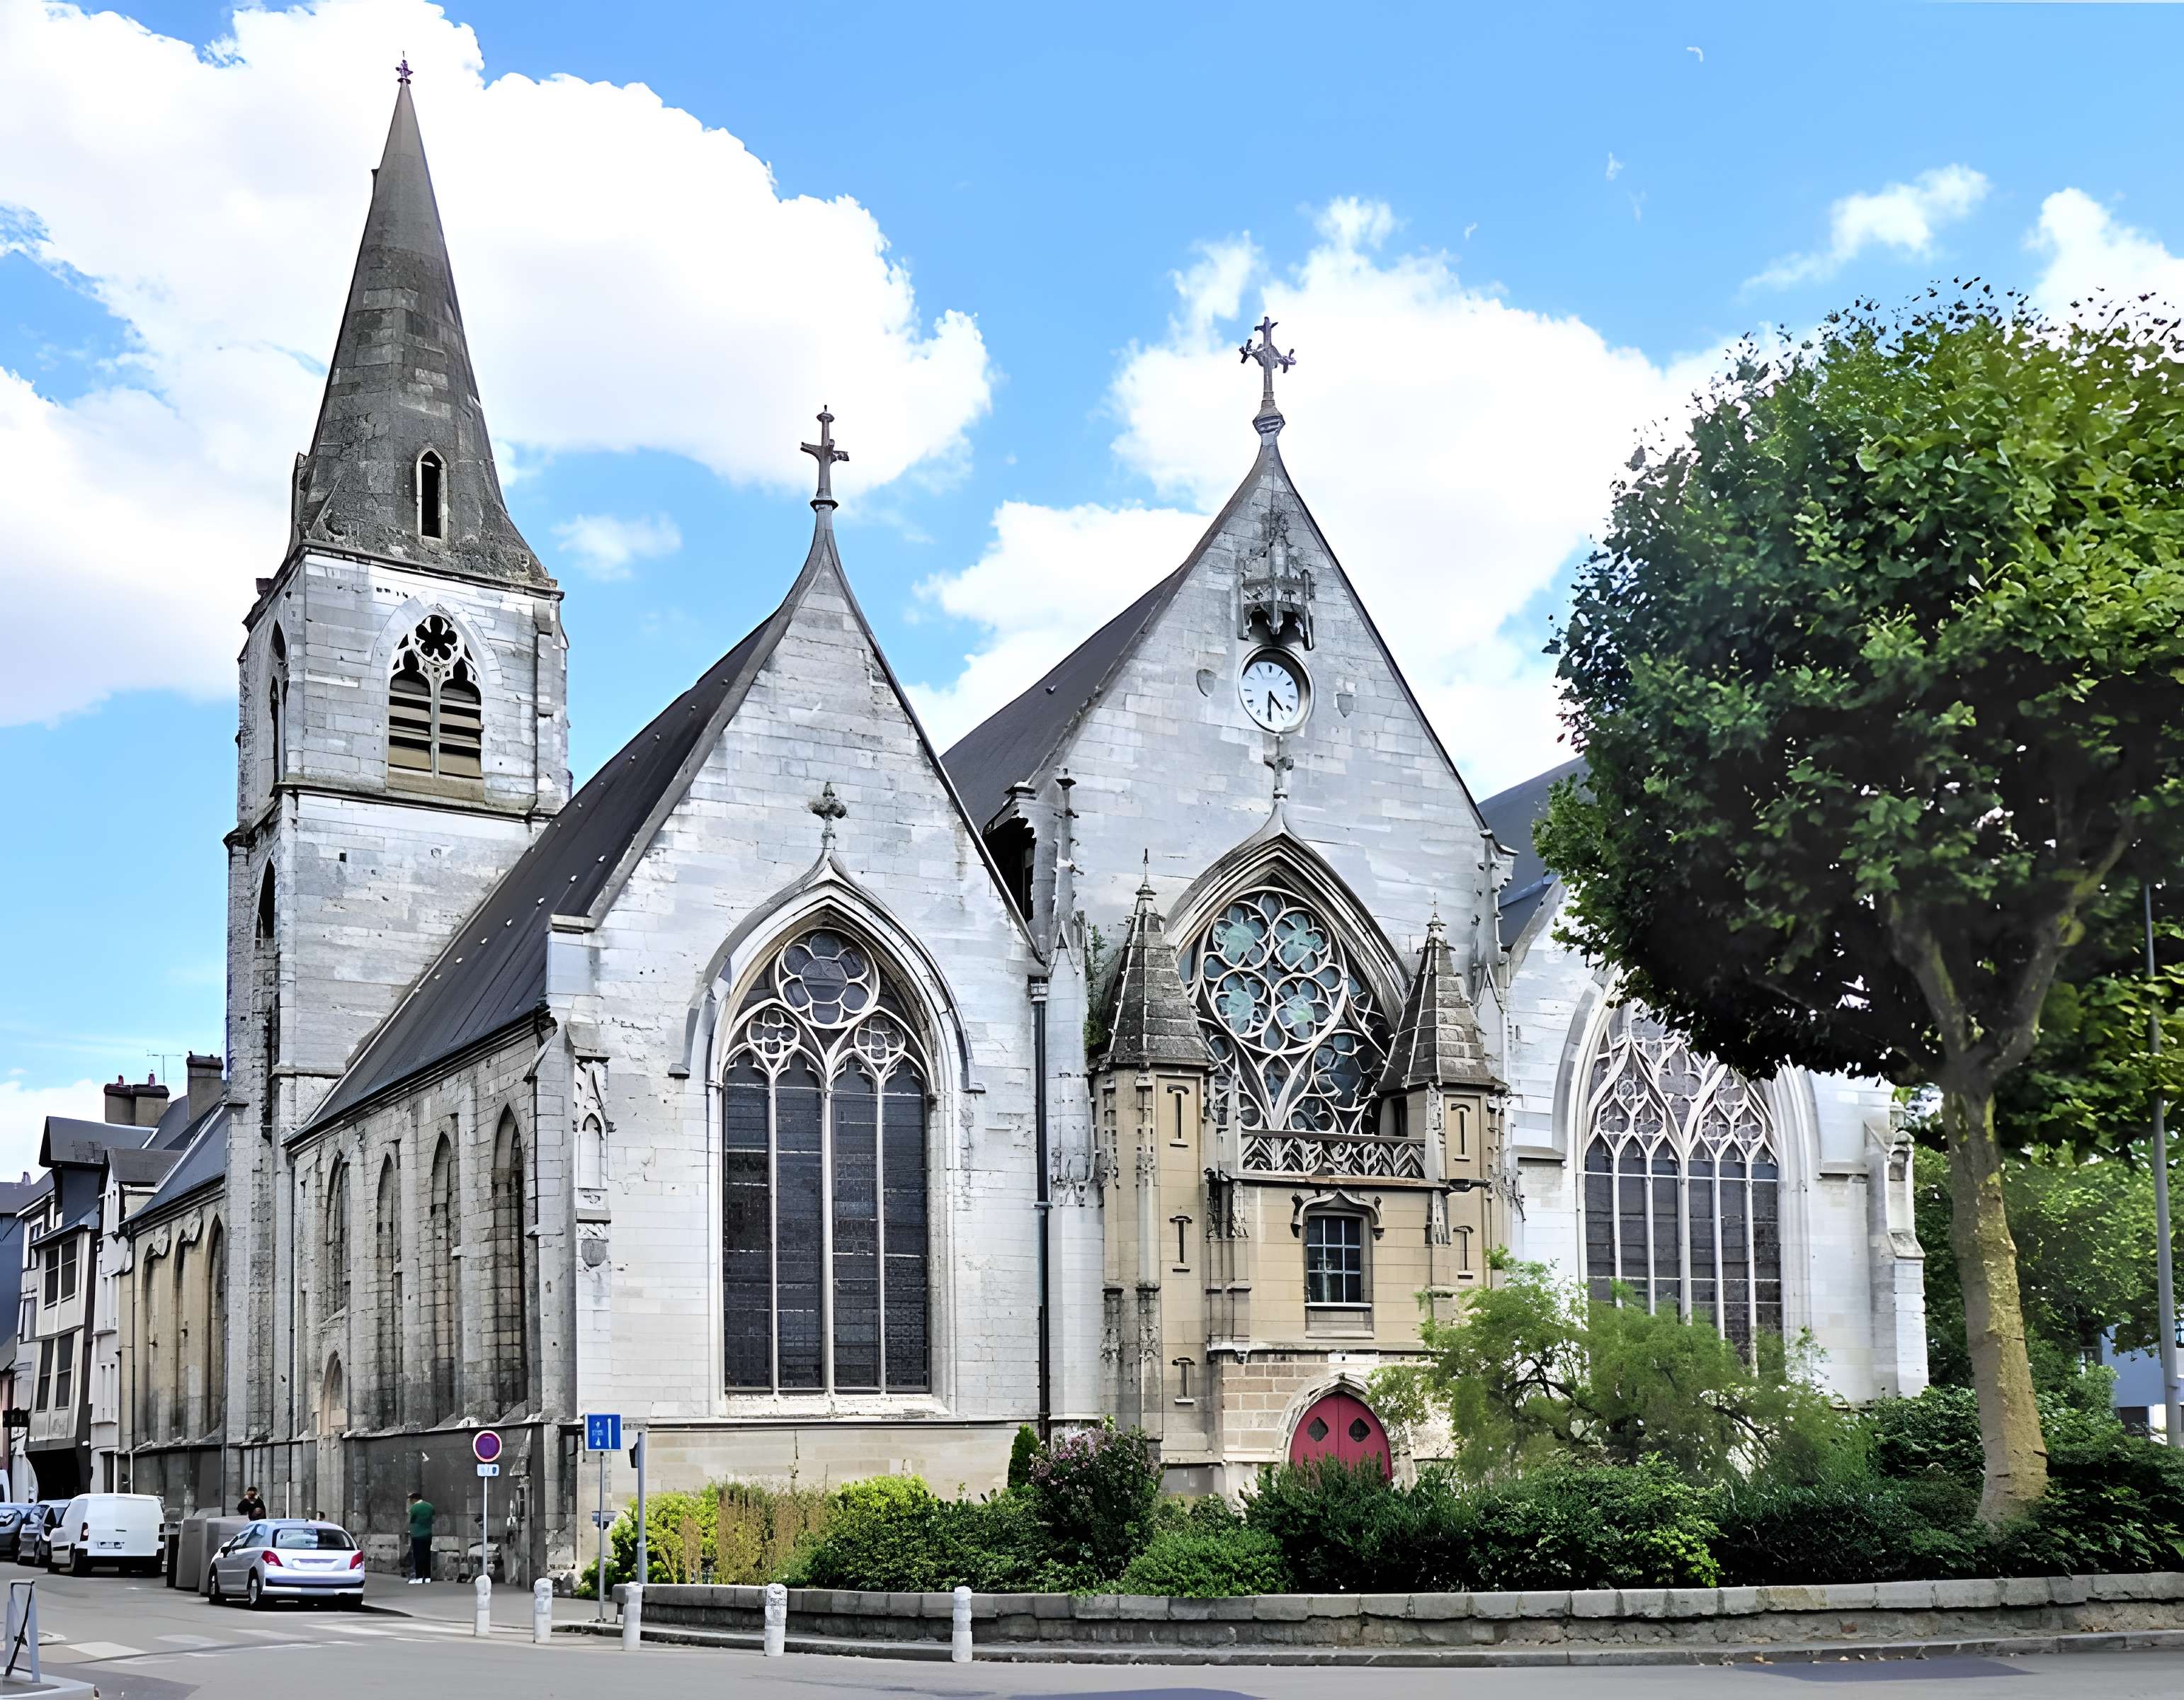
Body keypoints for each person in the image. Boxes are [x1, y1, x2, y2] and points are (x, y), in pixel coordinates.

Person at [406, 1490, 435, 1585]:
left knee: (418, 1556)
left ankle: (419, 1576)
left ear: (414, 1499)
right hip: (428, 1534)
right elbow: (433, 1518)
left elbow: (412, 1520)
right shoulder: (430, 1506)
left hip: (417, 1535)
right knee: (427, 1555)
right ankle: (427, 1577)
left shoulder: (415, 1508)